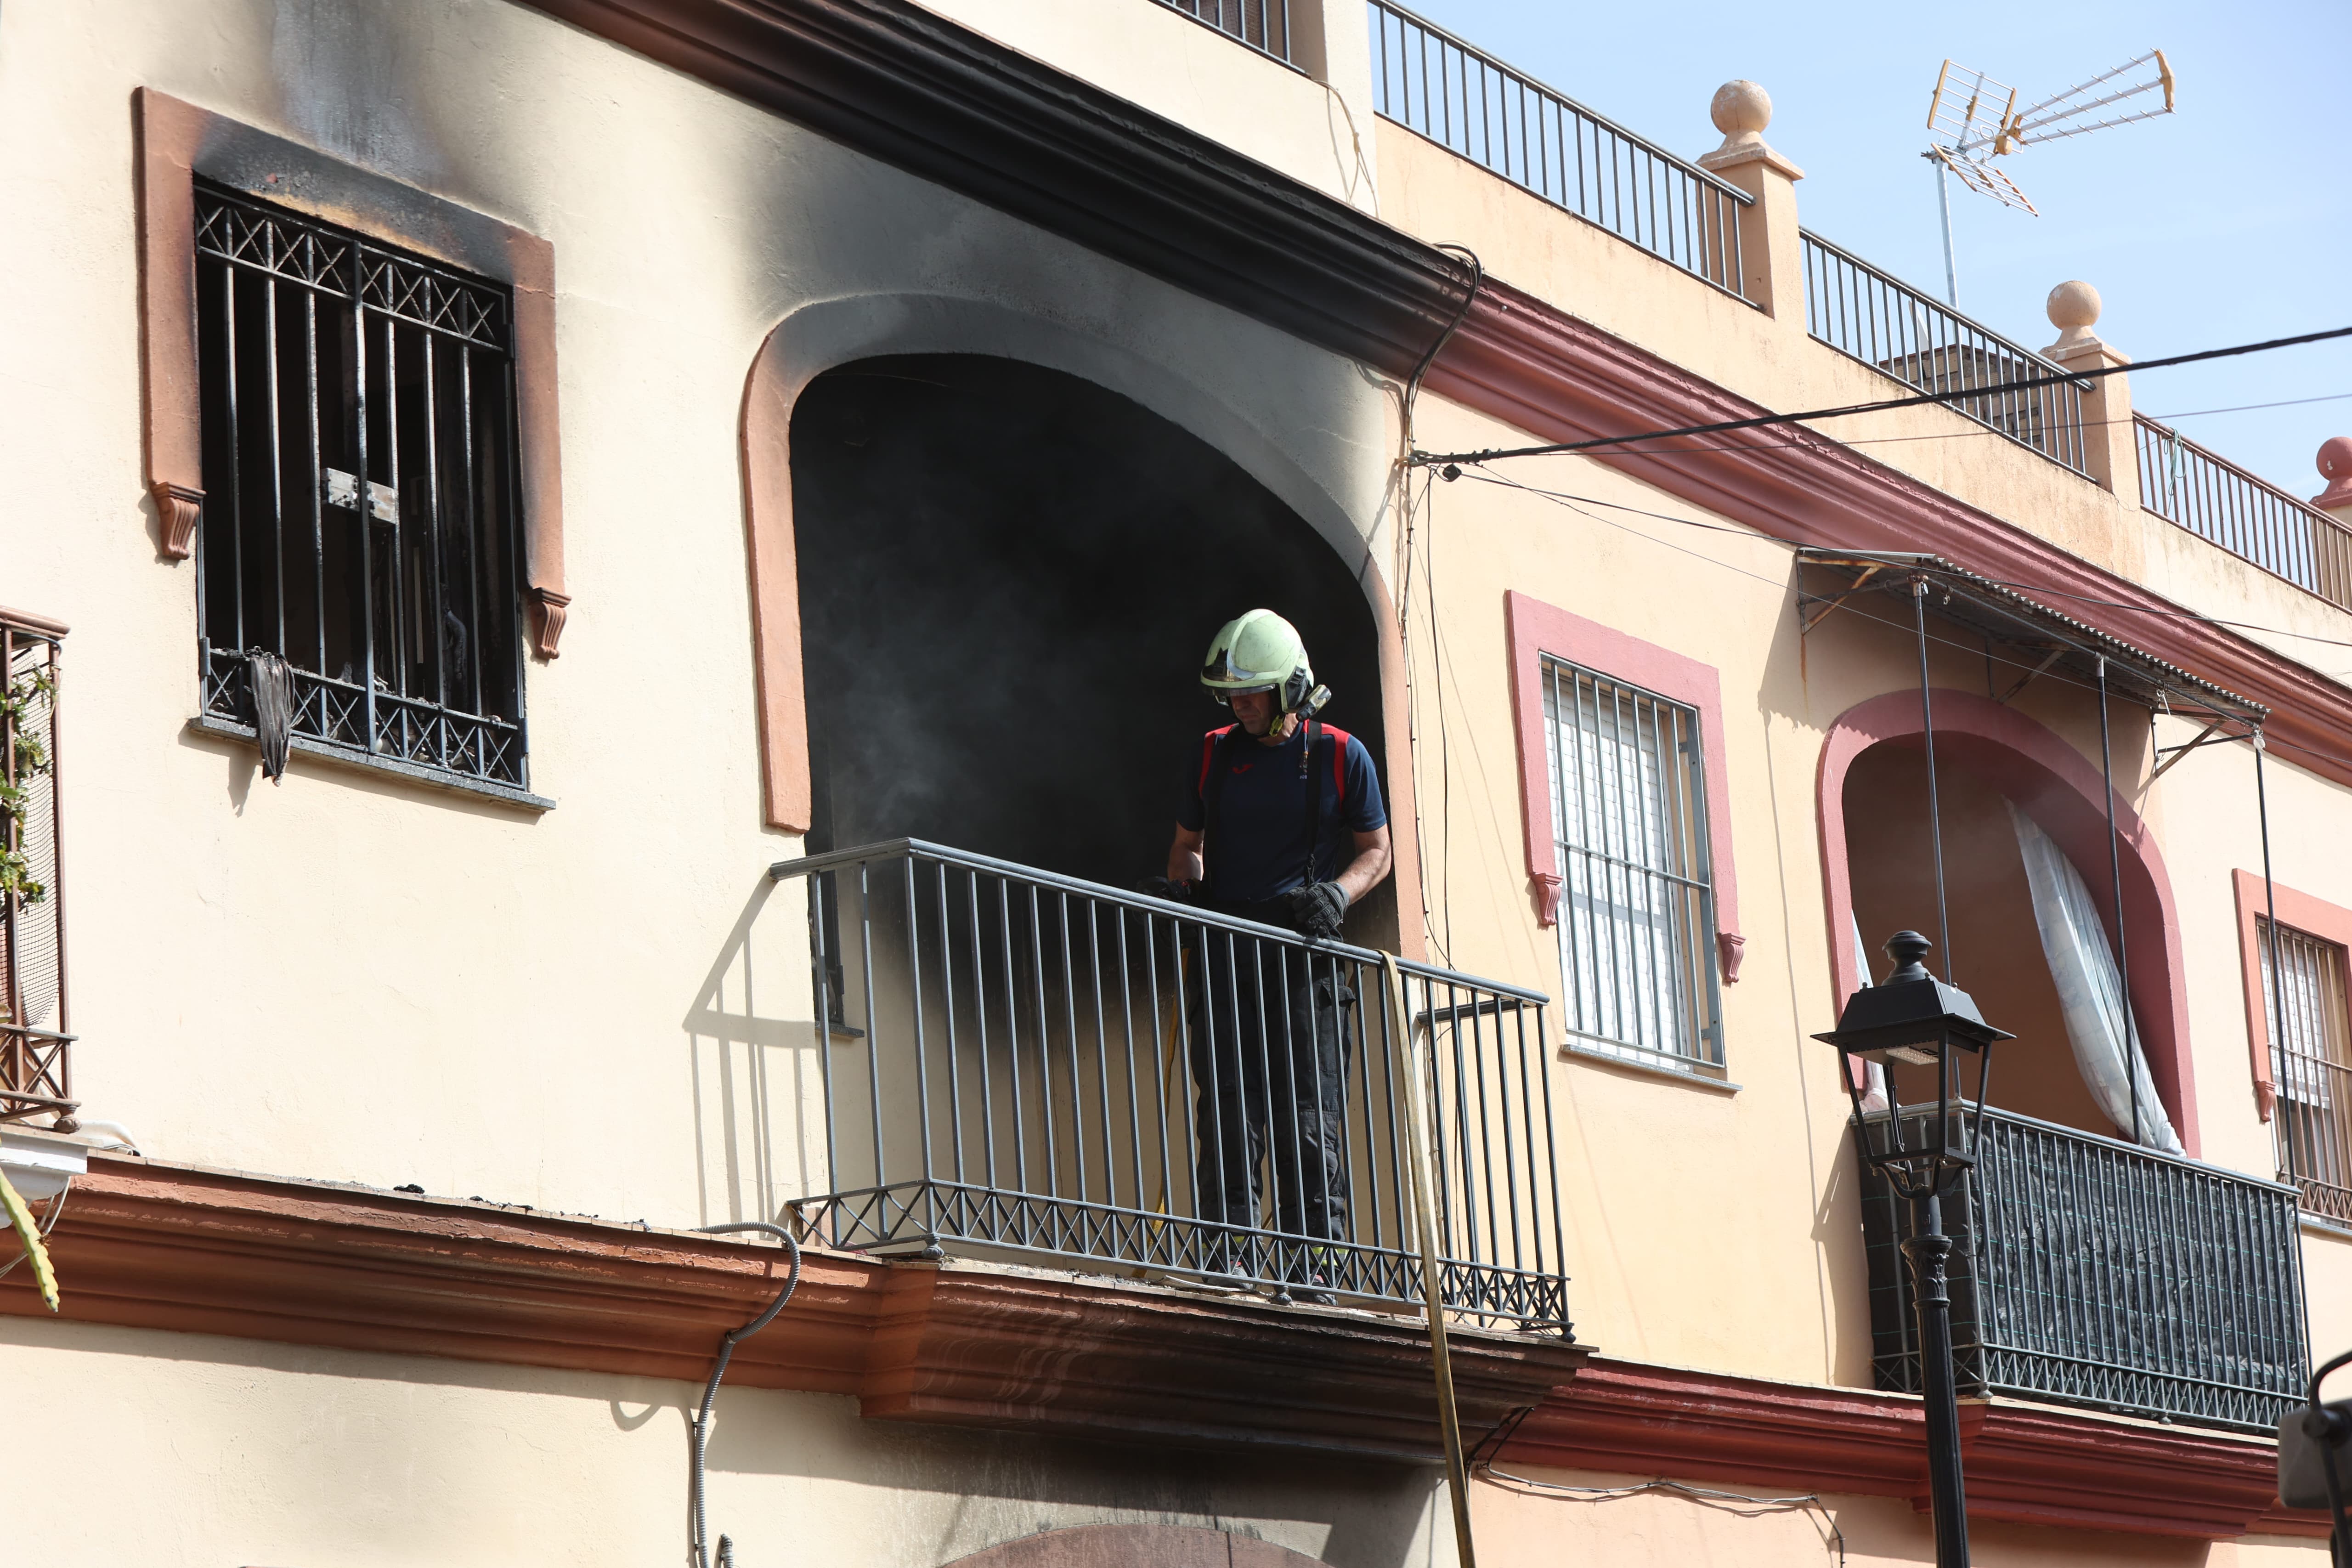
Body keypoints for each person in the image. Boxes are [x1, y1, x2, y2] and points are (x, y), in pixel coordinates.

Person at [1151, 609, 1392, 1304]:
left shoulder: (1343, 755)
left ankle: (1312, 1262)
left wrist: (1338, 897)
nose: (1241, 704)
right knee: (1226, 1109)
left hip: (1303, 958)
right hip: (1226, 955)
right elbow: (1187, 843)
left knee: (1306, 1114)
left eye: (1253, 691)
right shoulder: (1212, 752)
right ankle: (1228, 1254)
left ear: (1291, 687)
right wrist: (1184, 883)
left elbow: (1376, 852)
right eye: (1233, 693)